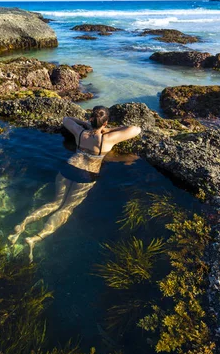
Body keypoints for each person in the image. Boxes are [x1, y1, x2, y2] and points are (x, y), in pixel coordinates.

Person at [8, 105, 141, 262]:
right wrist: (109, 129)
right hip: (87, 174)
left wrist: (85, 124)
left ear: (91, 118)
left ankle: (22, 225)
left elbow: (66, 119)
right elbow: (136, 129)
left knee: (55, 202)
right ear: (105, 123)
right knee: (66, 208)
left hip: (68, 168)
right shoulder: (107, 138)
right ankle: (35, 238)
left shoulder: (80, 132)